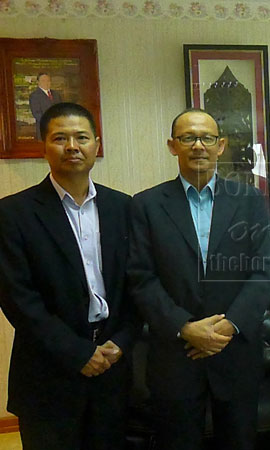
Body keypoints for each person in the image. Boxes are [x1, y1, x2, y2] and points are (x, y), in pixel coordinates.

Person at [128, 108, 270, 450]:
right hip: (175, 356)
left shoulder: (250, 199)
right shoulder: (147, 205)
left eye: (207, 138)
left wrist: (230, 325)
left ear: (221, 145)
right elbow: (141, 278)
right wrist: (185, 327)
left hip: (236, 353)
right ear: (172, 145)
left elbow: (265, 269)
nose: (198, 146)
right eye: (188, 138)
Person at [0, 102, 135, 450]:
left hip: (112, 364)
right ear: (43, 145)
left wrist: (121, 341)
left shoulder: (123, 207)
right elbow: (18, 298)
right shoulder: (13, 213)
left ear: (96, 145)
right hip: (49, 370)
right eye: (60, 137)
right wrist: (77, 353)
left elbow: (137, 283)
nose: (72, 146)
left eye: (82, 137)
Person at [29, 73, 62, 140]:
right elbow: (36, 113)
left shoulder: (56, 94)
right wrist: (49, 123)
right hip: (44, 128)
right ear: (38, 82)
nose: (46, 83)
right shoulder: (34, 96)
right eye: (43, 80)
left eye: (48, 80)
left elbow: (60, 109)